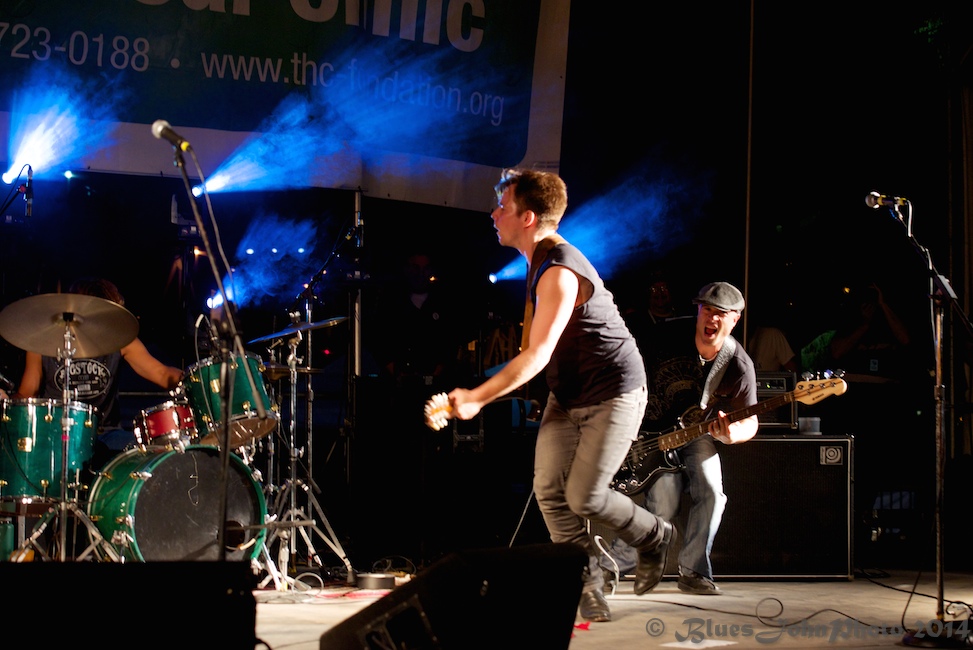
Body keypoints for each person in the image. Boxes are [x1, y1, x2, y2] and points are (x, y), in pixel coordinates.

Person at [428, 168, 673, 623]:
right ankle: (587, 581)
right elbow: (532, 353)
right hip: (570, 395)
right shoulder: (535, 261)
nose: (494, 213)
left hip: (615, 391)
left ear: (529, 217)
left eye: (504, 206)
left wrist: (478, 397)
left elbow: (536, 355)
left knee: (584, 497)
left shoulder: (559, 271)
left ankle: (654, 534)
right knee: (549, 491)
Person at [600, 281, 759, 595]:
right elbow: (619, 365)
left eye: (721, 314)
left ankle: (694, 571)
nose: (711, 319)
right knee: (664, 503)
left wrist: (732, 434)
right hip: (646, 431)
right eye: (707, 310)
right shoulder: (664, 334)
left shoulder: (738, 364)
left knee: (713, 493)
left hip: (695, 432)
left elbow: (750, 420)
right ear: (698, 311)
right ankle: (608, 566)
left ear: (735, 319)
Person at [1, 278, 185, 474]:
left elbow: (162, 373)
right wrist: (6, 402)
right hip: (57, 432)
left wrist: (195, 377)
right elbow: (27, 393)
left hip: (106, 432)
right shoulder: (41, 346)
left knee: (145, 457)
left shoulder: (120, 340)